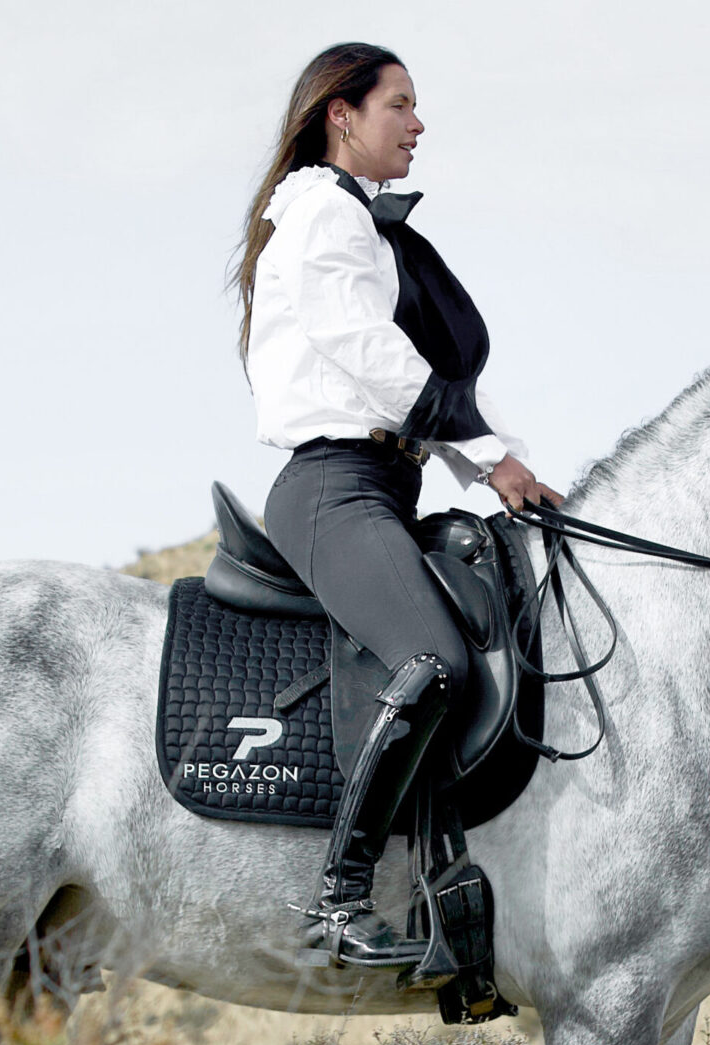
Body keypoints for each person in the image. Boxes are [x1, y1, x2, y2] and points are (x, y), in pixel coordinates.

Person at [235, 42, 561, 968]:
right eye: (401, 106)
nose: (418, 125)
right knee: (436, 657)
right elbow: (372, 354)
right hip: (333, 486)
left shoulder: (363, 229)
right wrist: (490, 461)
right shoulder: (319, 219)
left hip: (386, 482)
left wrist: (519, 470)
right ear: (342, 114)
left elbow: (441, 375)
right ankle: (337, 898)